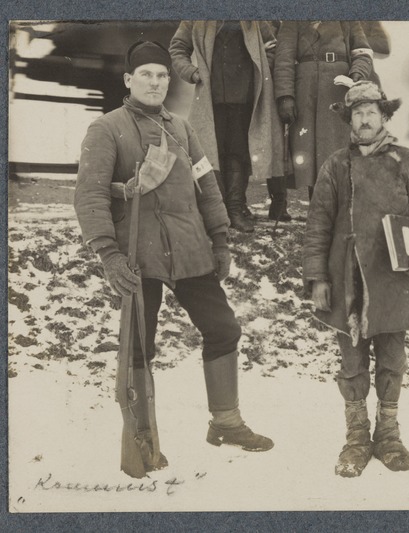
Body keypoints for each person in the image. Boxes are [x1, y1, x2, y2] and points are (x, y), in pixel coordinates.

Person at [74, 41, 274, 471]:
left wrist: (219, 240)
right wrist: (108, 254)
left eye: (162, 75)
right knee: (138, 350)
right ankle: (142, 437)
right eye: (146, 74)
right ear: (128, 80)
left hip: (189, 250)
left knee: (224, 330)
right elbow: (88, 196)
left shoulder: (183, 130)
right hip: (137, 256)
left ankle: (226, 423)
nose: (156, 81)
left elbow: (209, 188)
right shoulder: (106, 129)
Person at [302, 81, 409, 477]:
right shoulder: (336, 164)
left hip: (393, 279)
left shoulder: (406, 162)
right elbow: (317, 224)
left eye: (372, 112)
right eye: (357, 113)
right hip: (345, 279)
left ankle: (389, 436)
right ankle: (356, 438)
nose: (365, 120)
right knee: (351, 363)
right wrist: (317, 276)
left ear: (384, 116)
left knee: (392, 359)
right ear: (349, 120)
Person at [169, 20, 290, 233]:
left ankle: (234, 210)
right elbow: (178, 47)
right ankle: (219, 210)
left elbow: (273, 46)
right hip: (210, 98)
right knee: (212, 153)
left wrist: (260, 67)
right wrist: (192, 72)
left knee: (237, 153)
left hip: (245, 98)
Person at [273, 21, 373, 199]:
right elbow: (284, 58)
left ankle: (341, 211)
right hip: (306, 93)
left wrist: (357, 75)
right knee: (310, 155)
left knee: (339, 152)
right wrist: (285, 96)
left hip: (339, 92)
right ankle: (318, 210)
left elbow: (362, 53)